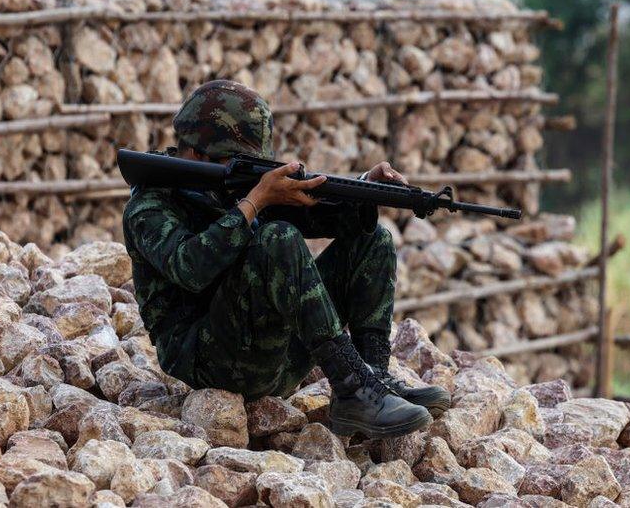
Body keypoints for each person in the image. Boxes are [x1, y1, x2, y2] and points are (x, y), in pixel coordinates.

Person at [122, 80, 449, 438]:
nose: (247, 172)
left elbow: (316, 217)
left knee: (373, 241)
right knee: (277, 238)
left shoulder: (226, 185)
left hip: (272, 354)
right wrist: (255, 202)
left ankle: (373, 380)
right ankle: (352, 388)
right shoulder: (150, 205)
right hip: (210, 362)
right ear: (200, 154)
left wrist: (365, 189)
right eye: (236, 159)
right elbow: (190, 269)